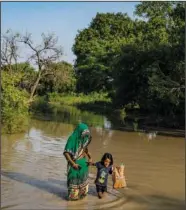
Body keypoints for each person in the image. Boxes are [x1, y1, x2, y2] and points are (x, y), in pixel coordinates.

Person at [63, 123, 92, 201]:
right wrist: (73, 164)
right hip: (74, 165)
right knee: (73, 192)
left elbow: (85, 149)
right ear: (80, 131)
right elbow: (66, 153)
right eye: (84, 133)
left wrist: (90, 158)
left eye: (86, 134)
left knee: (83, 192)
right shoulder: (72, 139)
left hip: (83, 165)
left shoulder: (85, 138)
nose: (85, 136)